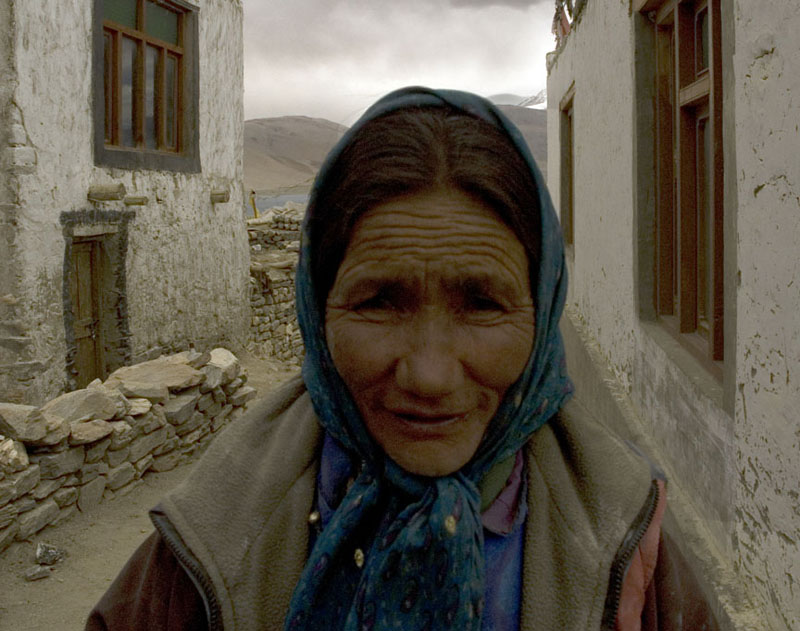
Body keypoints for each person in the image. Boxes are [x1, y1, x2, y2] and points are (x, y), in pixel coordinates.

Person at [86, 87, 708, 631]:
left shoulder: (627, 544)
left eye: (483, 304)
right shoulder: (212, 536)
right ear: (318, 310)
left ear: (541, 312)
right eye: (379, 302)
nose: (430, 376)